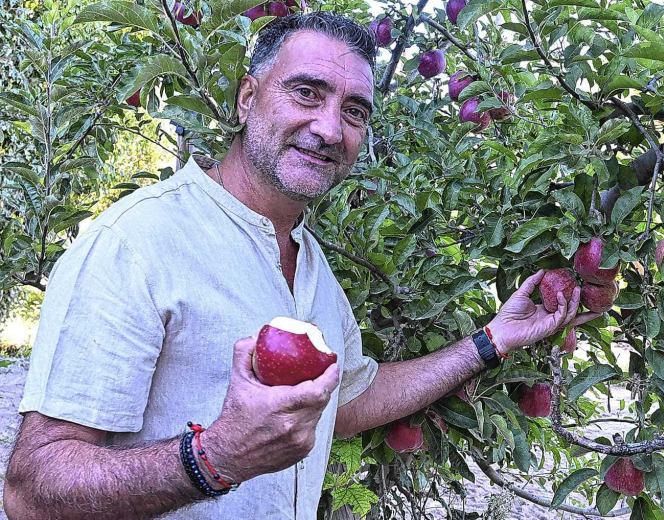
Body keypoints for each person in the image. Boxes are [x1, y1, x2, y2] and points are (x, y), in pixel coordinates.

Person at [2, 12, 600, 520]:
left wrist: (493, 339)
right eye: (307, 92)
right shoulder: (136, 243)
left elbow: (344, 401)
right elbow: (31, 490)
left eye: (356, 111)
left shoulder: (310, 265)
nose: (329, 128)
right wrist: (212, 458)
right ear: (246, 98)